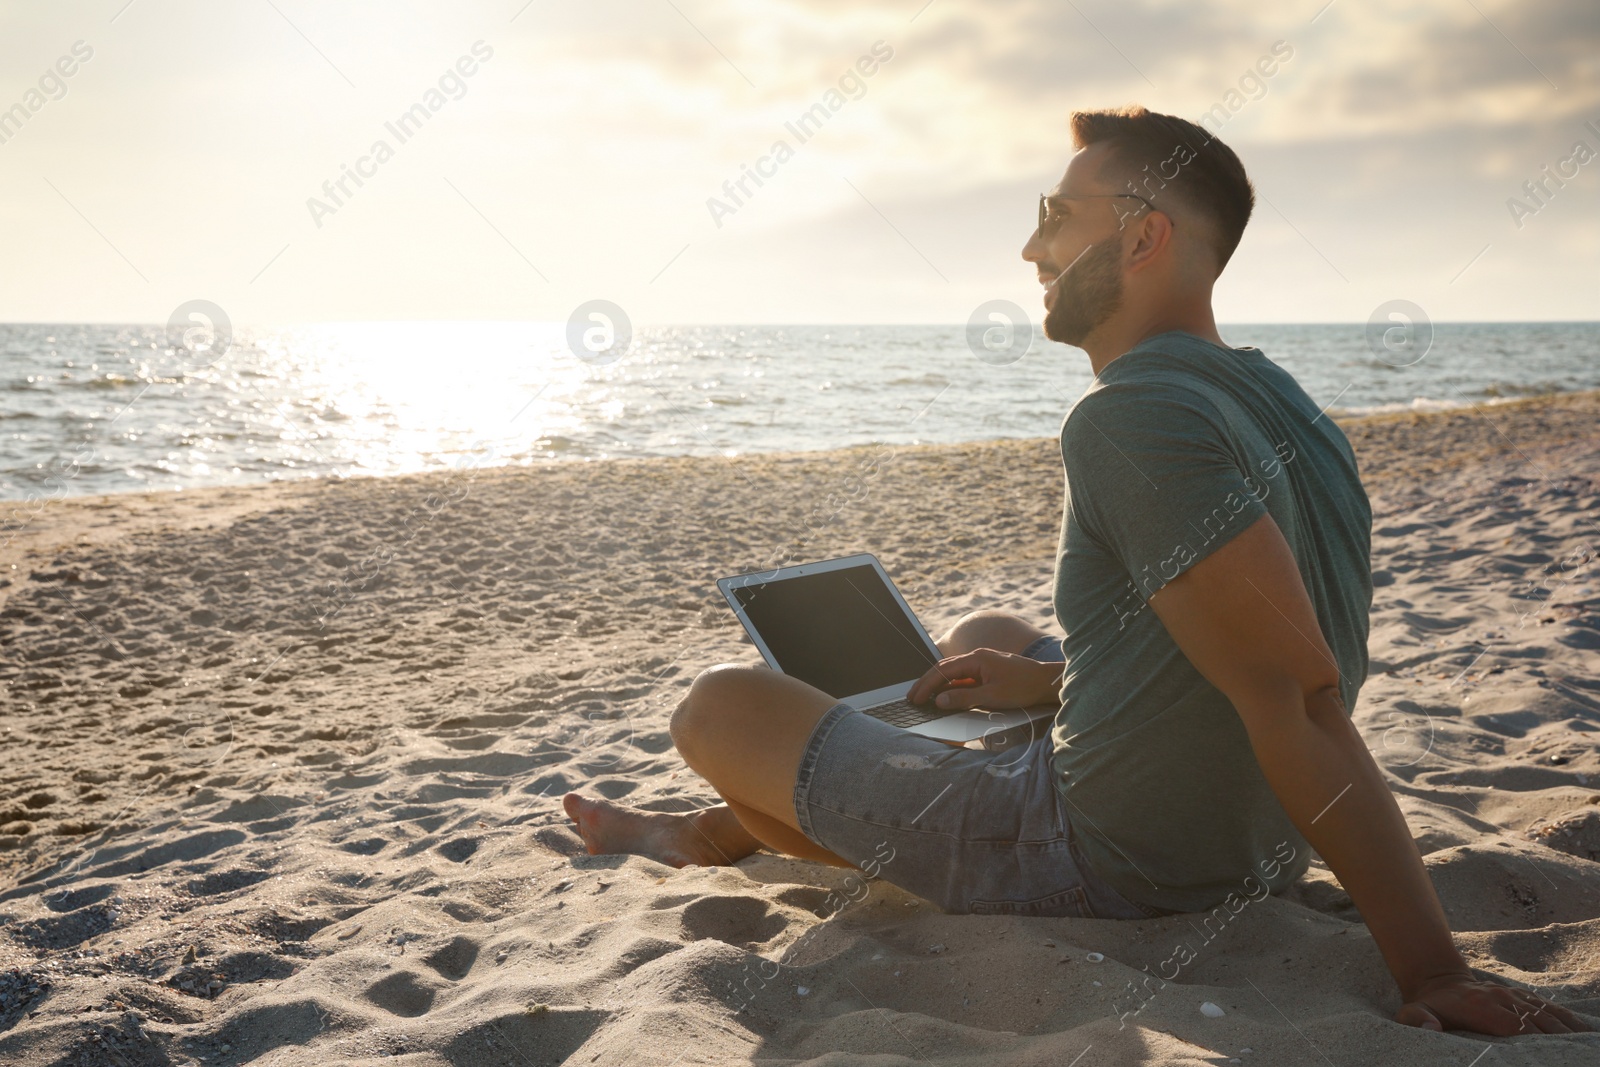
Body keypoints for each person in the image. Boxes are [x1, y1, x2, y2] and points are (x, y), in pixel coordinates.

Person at [564, 105, 1591, 1036]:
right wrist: (1048, 682)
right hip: (1255, 834)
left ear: (1141, 235)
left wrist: (1433, 969)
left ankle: (703, 826)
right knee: (987, 637)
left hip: (1115, 860)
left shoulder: (1131, 417)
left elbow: (1301, 696)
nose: (1029, 245)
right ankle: (756, 807)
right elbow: (1249, 638)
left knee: (717, 708)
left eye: (1055, 215)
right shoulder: (1283, 402)